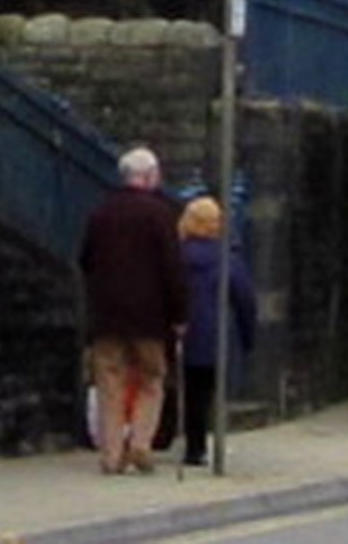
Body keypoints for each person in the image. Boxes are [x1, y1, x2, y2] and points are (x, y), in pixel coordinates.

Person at [79, 146, 189, 475]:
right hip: (150, 318)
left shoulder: (100, 213)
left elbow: (85, 260)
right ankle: (140, 443)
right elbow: (173, 269)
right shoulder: (160, 214)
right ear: (149, 176)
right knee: (152, 379)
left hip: (107, 317)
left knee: (110, 383)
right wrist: (180, 315)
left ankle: (111, 455)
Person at [177, 195, 258, 468]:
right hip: (215, 335)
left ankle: (192, 445)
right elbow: (244, 298)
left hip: (181, 330)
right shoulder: (227, 258)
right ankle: (201, 446)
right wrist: (249, 336)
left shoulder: (176, 254)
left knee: (188, 390)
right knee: (208, 390)